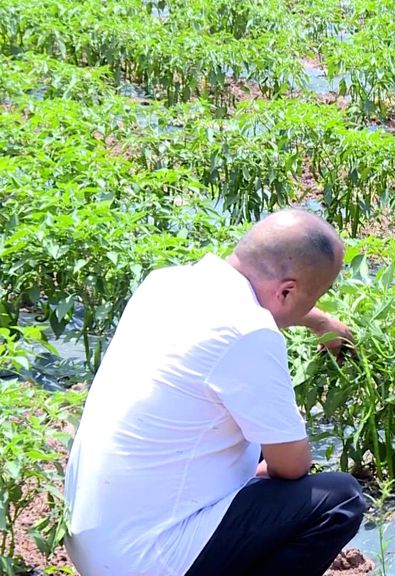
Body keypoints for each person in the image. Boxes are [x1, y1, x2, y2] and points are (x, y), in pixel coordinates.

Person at [64, 209, 367, 576]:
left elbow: (264, 296)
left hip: (97, 542)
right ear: (286, 290)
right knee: (339, 499)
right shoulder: (249, 331)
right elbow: (292, 465)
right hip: (148, 559)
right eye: (315, 296)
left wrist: (318, 320)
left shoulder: (165, 283)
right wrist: (264, 468)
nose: (313, 305)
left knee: (250, 442)